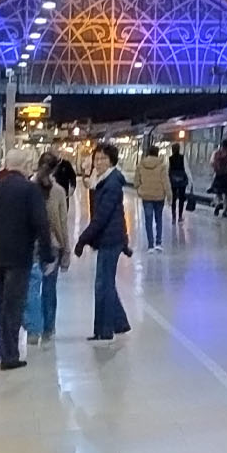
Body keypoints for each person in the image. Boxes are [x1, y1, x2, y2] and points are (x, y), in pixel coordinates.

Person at [0, 148, 54, 370]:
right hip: (19, 257)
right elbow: (41, 224)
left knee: (2, 304)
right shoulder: (30, 190)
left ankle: (6, 351)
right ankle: (9, 356)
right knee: (14, 306)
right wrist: (47, 256)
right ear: (26, 165)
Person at [74, 144, 132, 342]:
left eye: (103, 159)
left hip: (109, 239)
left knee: (103, 284)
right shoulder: (103, 181)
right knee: (106, 282)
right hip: (111, 238)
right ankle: (119, 322)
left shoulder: (112, 183)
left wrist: (83, 239)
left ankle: (104, 330)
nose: (98, 162)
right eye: (96, 158)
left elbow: (102, 217)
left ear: (112, 161)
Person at [24, 152, 70, 345]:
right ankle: (48, 329)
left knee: (32, 288)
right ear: (55, 170)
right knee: (50, 289)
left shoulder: (26, 188)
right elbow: (62, 222)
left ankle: (34, 328)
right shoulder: (59, 191)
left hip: (31, 245)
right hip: (53, 247)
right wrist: (66, 250)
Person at [136, 145, 170, 253]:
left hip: (146, 196)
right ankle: (158, 243)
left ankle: (150, 245)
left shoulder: (141, 164)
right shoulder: (162, 165)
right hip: (159, 196)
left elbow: (136, 181)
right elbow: (166, 182)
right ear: (157, 153)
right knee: (158, 218)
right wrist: (169, 195)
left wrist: (140, 189)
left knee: (148, 219)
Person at [209, 139, 227, 217]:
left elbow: (211, 163)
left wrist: (217, 169)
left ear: (221, 144)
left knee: (218, 193)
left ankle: (218, 204)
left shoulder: (215, 153)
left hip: (218, 176)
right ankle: (224, 210)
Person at [168, 143, 191, 222]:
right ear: (179, 149)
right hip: (182, 181)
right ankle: (180, 216)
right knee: (181, 198)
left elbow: (168, 170)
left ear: (172, 150)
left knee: (173, 198)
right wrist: (191, 181)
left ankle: (173, 217)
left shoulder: (169, 158)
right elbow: (187, 169)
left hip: (173, 181)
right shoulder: (183, 157)